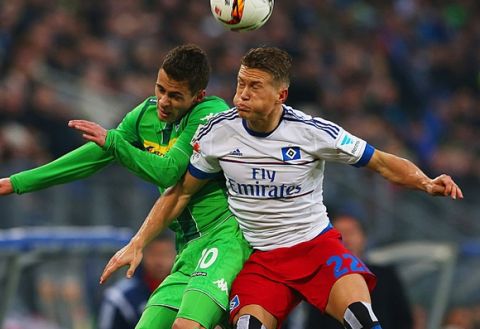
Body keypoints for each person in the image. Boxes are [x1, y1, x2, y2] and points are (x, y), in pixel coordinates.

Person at [100, 46, 463, 329]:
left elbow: (382, 162)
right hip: (260, 259)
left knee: (361, 317)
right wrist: (139, 242)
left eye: (254, 86)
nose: (242, 94)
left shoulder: (312, 132)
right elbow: (179, 192)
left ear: (281, 95)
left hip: (315, 247)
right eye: (240, 83)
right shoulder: (217, 133)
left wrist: (426, 182)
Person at [0, 44, 252, 329]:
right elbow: (97, 154)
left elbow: (167, 172)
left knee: (187, 326)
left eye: (175, 96)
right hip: (187, 247)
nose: (163, 102)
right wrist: (17, 182)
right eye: (160, 90)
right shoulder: (145, 115)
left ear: (198, 96)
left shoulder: (212, 114)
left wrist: (114, 141)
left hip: (224, 237)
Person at [300, 213, 413, 329]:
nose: (346, 239)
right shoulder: (321, 282)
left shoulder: (386, 277)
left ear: (364, 237)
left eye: (351, 232)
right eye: (339, 234)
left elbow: (402, 319)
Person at [98, 233, 176, 329]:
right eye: (153, 254)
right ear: (142, 254)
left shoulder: (187, 292)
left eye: (165, 254)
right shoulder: (120, 297)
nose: (159, 261)